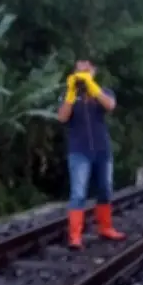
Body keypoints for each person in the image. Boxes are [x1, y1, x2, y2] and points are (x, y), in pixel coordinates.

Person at [57, 60, 126, 249]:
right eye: (80, 70)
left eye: (87, 70)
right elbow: (62, 117)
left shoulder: (102, 92)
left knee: (105, 189)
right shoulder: (67, 94)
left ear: (94, 72)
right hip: (79, 151)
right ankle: (75, 236)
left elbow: (110, 105)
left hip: (102, 149)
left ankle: (105, 228)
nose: (84, 73)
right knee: (78, 193)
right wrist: (71, 92)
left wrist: (91, 86)